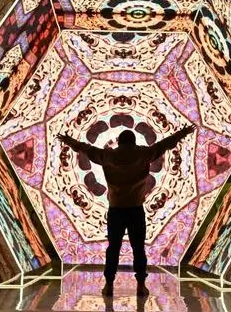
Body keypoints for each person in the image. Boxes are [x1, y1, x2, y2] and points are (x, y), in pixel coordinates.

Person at [57, 123, 196, 297]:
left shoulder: (107, 155)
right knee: (138, 249)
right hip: (136, 209)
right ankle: (141, 286)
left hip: (116, 209)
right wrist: (182, 132)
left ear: (119, 142)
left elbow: (85, 149)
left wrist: (68, 140)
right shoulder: (143, 154)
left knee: (113, 248)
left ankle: (109, 285)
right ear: (134, 142)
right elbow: (164, 145)